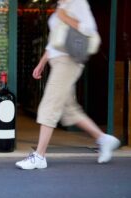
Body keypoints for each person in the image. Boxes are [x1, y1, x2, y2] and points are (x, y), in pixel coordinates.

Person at [15, 0, 120, 170]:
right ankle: (103, 139)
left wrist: (65, 17)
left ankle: (39, 156)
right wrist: (41, 63)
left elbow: (89, 30)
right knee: (68, 110)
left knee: (50, 103)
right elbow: (54, 41)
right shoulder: (60, 5)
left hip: (69, 61)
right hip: (57, 61)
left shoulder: (78, 3)